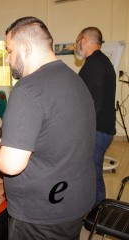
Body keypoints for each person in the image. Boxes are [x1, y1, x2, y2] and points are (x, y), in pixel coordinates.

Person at [0, 16, 96, 239]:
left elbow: (11, 165)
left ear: (26, 48)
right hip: (75, 202)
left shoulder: (28, 89)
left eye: (9, 51)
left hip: (42, 214)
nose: (8, 60)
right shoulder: (75, 79)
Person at [75, 27, 116, 205]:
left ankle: (97, 213)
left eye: (77, 42)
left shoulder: (95, 64)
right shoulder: (101, 62)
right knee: (93, 171)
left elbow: (94, 103)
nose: (76, 47)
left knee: (92, 174)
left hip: (97, 130)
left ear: (84, 40)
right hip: (100, 129)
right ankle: (96, 210)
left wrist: (82, 131)